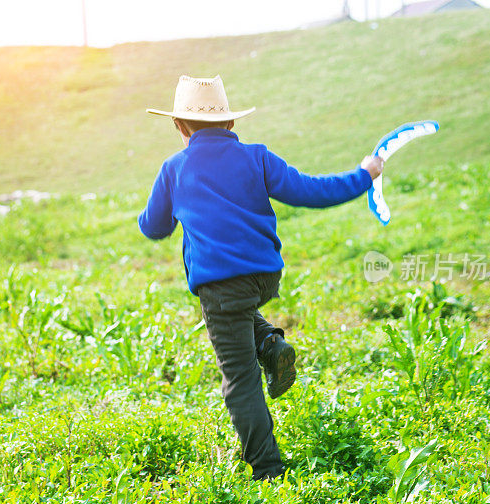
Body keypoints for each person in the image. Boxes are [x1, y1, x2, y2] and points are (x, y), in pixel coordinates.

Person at [138, 75, 383, 480]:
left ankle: (267, 470)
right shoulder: (258, 157)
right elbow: (312, 191)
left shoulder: (174, 169)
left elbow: (154, 227)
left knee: (239, 380)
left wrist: (156, 213)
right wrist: (364, 174)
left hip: (221, 284)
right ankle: (269, 344)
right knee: (229, 310)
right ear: (231, 124)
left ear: (179, 127)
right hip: (266, 276)